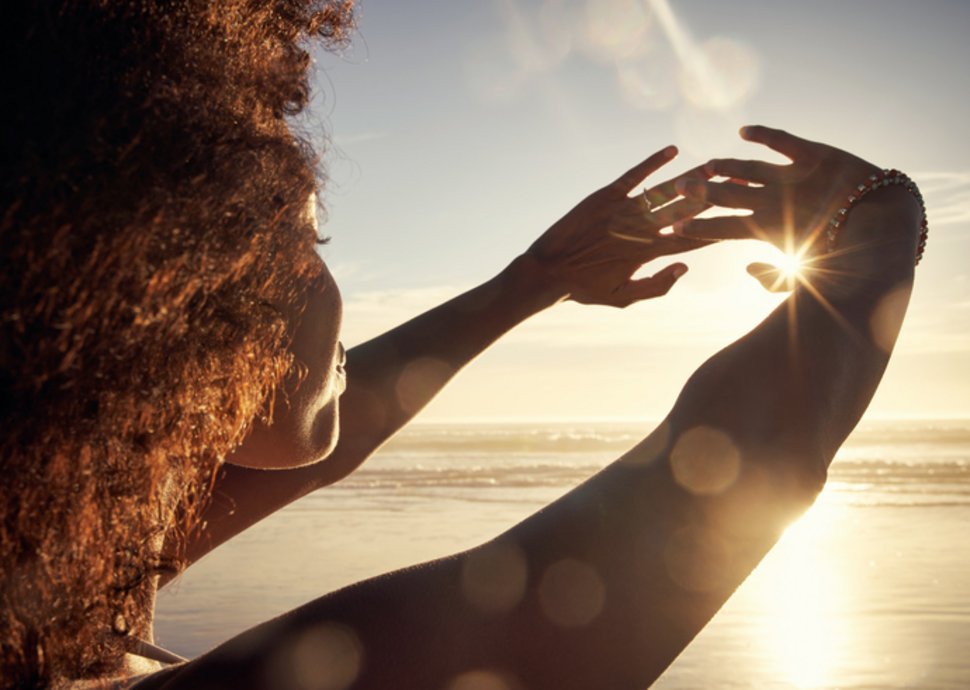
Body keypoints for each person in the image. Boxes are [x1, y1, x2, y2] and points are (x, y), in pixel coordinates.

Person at [0, 2, 926, 689]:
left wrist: (532, 281)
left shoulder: (40, 577)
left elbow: (318, 440)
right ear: (165, 280)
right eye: (306, 241)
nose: (331, 285)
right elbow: (728, 483)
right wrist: (882, 226)